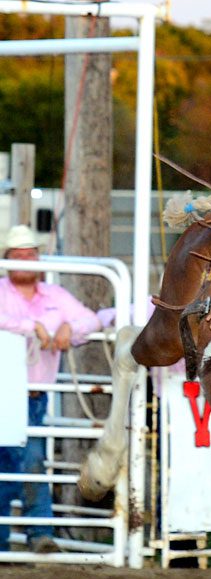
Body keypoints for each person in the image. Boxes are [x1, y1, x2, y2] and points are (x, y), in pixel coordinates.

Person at [0, 224, 102, 553]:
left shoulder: (55, 297)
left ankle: (21, 536)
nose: (26, 259)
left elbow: (90, 319)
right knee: (26, 459)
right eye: (19, 254)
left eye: (31, 253)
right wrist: (32, 327)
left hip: (32, 394)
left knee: (18, 461)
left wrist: (70, 327)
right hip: (9, 391)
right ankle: (38, 532)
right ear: (8, 258)